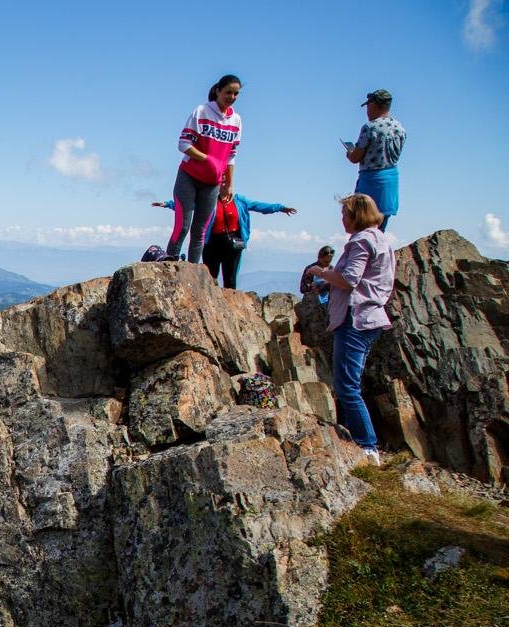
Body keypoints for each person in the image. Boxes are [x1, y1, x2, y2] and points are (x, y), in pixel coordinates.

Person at [303, 194, 396, 464]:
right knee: (350, 383)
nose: (342, 218)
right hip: (371, 317)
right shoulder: (381, 239)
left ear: (356, 216)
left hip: (355, 319)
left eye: (345, 214)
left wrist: (318, 272)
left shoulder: (362, 241)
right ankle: (362, 442)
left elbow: (349, 279)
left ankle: (367, 447)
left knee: (346, 387)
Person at [167, 74, 243, 264]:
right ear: (218, 91)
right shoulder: (202, 112)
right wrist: (207, 159)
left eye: (236, 94)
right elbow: (183, 144)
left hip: (213, 183)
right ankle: (169, 263)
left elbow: (231, 155)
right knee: (183, 226)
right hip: (189, 176)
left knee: (200, 230)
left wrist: (230, 184)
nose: (231, 97)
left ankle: (192, 270)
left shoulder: (236, 121)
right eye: (228, 92)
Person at [151, 193, 296, 288]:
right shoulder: (208, 199)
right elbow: (188, 204)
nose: (223, 184)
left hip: (233, 244)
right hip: (212, 243)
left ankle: (230, 307)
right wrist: (168, 204)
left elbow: (260, 206)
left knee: (230, 279)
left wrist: (280, 208)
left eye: (226, 180)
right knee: (210, 277)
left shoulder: (239, 200)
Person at [346, 89, 405, 231]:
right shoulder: (400, 128)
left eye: (368, 105)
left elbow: (355, 158)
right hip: (390, 182)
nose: (367, 110)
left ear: (374, 104)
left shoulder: (370, 127)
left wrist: (349, 153)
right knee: (380, 230)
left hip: (370, 181)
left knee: (362, 227)